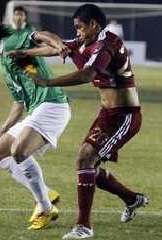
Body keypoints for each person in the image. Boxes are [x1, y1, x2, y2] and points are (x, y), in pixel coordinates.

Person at [14, 4, 148, 239]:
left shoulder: (107, 43)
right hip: (108, 114)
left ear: (94, 24)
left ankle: (84, 227)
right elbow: (58, 48)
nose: (76, 31)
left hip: (125, 115)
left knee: (85, 158)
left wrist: (47, 82)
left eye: (79, 27)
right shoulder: (87, 40)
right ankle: (132, 199)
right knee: (88, 166)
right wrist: (25, 53)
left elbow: (88, 75)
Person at [0, 15, 71, 230]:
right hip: (37, 109)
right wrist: (4, 128)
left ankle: (44, 207)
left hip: (52, 105)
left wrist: (59, 45)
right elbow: (19, 102)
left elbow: (42, 35)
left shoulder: (11, 42)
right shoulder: (3, 62)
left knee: (19, 151)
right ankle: (45, 192)